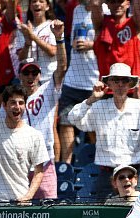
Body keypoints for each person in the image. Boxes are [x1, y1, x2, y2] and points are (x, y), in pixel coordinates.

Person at [67, 62, 140, 200]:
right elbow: (73, 118)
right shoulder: (99, 107)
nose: (120, 84)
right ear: (109, 84)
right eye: (116, 80)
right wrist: (91, 99)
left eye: (124, 80)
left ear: (130, 83)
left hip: (135, 175)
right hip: (107, 176)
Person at [0, 59, 49, 203]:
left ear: (25, 105)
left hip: (20, 203)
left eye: (21, 103)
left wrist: (28, 196)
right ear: (5, 105)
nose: (17, 107)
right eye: (12, 103)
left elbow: (38, 172)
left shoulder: (34, 136)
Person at [19, 19, 67, 200]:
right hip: (21, 165)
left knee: (49, 209)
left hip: (44, 162)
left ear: (39, 75)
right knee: (20, 212)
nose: (30, 77)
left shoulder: (47, 90)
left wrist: (60, 38)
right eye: (26, 73)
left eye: (34, 73)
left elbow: (61, 67)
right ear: (20, 75)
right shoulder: (13, 99)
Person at [57, 0, 99, 164]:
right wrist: (75, 43)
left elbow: (107, 43)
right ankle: (65, 167)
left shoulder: (104, 10)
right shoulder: (77, 10)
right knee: (66, 123)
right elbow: (74, 35)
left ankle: (98, 165)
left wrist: (90, 45)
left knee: (93, 127)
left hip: (93, 81)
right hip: (72, 80)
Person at [92, 0, 140, 78]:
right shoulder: (101, 25)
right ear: (107, 4)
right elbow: (95, 4)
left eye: (120, 1)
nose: (117, 4)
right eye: (113, 1)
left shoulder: (135, 24)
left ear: (128, 3)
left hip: (133, 87)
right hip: (108, 87)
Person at [17, 0, 57, 83]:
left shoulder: (54, 26)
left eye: (41, 1)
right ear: (30, 6)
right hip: (29, 79)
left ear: (47, 6)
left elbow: (52, 51)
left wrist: (33, 37)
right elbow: (21, 57)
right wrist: (27, 43)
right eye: (34, 1)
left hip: (49, 78)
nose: (37, 4)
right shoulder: (23, 28)